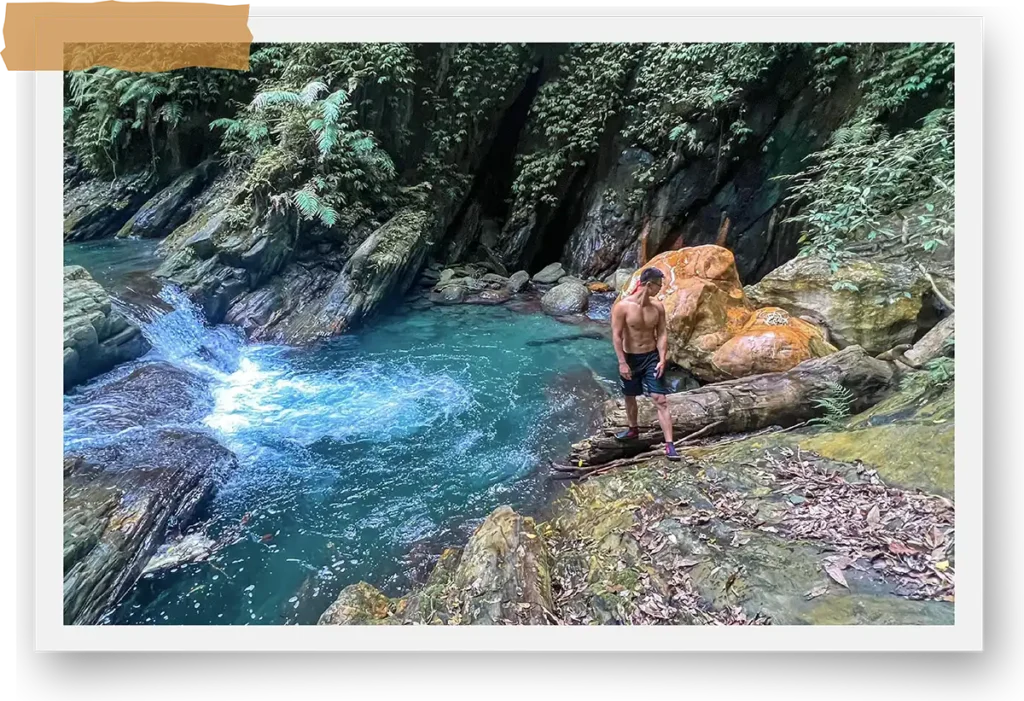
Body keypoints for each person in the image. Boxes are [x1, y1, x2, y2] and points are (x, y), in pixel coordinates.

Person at [610, 267, 679, 461]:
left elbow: (662, 333)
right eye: (659, 285)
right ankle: (633, 429)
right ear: (648, 284)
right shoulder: (622, 307)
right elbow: (616, 336)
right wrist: (622, 362)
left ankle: (669, 445)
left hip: (651, 357)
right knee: (630, 396)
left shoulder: (657, 307)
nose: (660, 289)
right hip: (630, 358)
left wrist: (662, 357)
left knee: (661, 399)